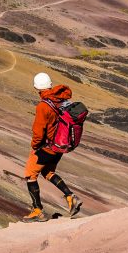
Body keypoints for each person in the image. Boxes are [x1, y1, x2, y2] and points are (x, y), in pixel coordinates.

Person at [22, 72, 82, 222]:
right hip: (59, 146)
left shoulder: (43, 106)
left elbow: (38, 130)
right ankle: (70, 197)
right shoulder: (61, 100)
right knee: (48, 172)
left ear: (37, 88)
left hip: (46, 147)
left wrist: (35, 147)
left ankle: (37, 211)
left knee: (30, 175)